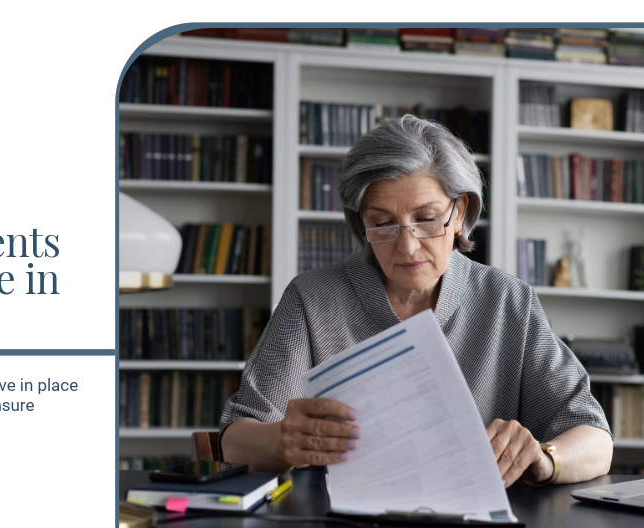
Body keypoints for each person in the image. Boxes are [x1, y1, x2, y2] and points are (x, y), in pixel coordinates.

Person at [219, 115, 612, 487]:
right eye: (383, 222)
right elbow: (234, 438)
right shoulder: (312, 298)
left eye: (426, 218)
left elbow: (596, 439)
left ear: (459, 214)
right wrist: (281, 441)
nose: (407, 247)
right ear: (362, 224)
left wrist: (543, 458)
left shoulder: (508, 302)